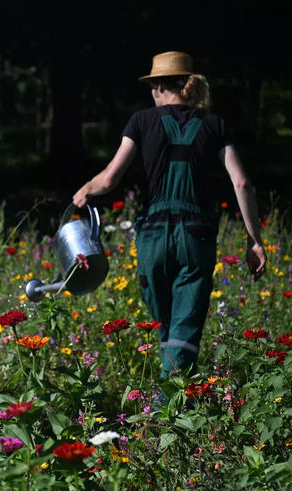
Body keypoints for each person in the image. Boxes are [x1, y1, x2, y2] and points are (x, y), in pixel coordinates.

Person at [72, 51, 267, 377]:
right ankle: (170, 406)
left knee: (165, 328)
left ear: (159, 86)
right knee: (184, 326)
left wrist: (85, 189)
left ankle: (167, 406)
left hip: (152, 238)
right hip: (195, 237)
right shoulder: (215, 124)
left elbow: (108, 179)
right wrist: (254, 241)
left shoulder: (141, 121)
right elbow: (242, 182)